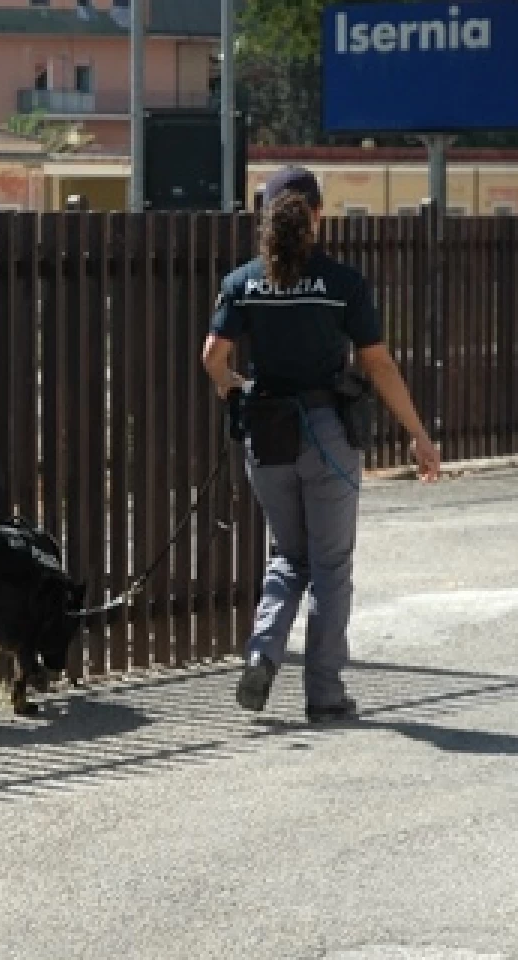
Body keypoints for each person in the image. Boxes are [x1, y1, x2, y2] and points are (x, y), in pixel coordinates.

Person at [201, 166, 440, 723]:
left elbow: (214, 355)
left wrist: (233, 391)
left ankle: (263, 653)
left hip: (268, 433)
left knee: (288, 556)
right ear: (318, 216)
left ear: (265, 219)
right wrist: (418, 434)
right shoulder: (342, 283)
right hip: (326, 431)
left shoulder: (243, 283)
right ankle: (325, 693)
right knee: (330, 566)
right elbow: (376, 364)